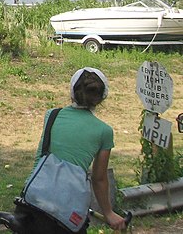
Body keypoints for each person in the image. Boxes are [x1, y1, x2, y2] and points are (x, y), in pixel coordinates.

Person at [13, 67, 127, 233]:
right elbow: (99, 179)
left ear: (72, 92)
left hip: (33, 199)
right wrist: (108, 213)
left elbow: (41, 155)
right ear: (102, 97)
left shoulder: (52, 115)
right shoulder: (104, 131)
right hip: (67, 209)